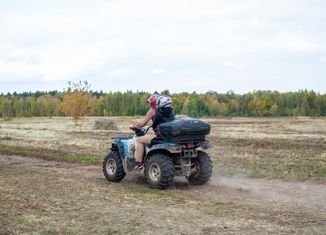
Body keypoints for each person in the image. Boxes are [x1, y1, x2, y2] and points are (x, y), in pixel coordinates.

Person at [130, 94, 175, 170]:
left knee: (139, 140)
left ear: (152, 102)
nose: (149, 104)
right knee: (149, 134)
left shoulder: (152, 111)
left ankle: (139, 164)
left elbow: (142, 123)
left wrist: (134, 126)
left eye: (150, 102)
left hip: (160, 136)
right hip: (169, 135)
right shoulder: (170, 110)